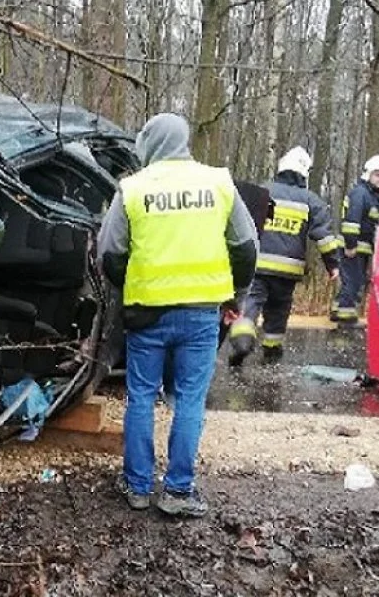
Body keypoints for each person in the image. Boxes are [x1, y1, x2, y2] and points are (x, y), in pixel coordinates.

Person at [97, 113, 258, 516]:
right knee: (189, 399)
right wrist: (234, 296)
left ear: (149, 145)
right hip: (202, 312)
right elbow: (245, 246)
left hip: (146, 313)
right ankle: (178, 492)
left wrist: (129, 286)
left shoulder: (132, 189)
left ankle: (136, 487)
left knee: (140, 398)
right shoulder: (218, 183)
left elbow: (110, 253)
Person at [227, 147, 340, 366]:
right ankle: (272, 349)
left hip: (257, 266)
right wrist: (332, 265)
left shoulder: (261, 191)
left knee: (250, 303)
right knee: (278, 309)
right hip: (288, 271)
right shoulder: (311, 200)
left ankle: (242, 339)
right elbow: (324, 237)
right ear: (304, 173)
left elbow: (239, 227)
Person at [330, 155, 379, 327]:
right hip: (353, 247)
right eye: (378, 174)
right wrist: (351, 245)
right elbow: (351, 222)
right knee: (354, 281)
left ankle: (337, 310)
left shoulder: (372, 196)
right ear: (368, 174)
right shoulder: (361, 194)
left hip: (362, 248)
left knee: (352, 280)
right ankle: (346, 317)